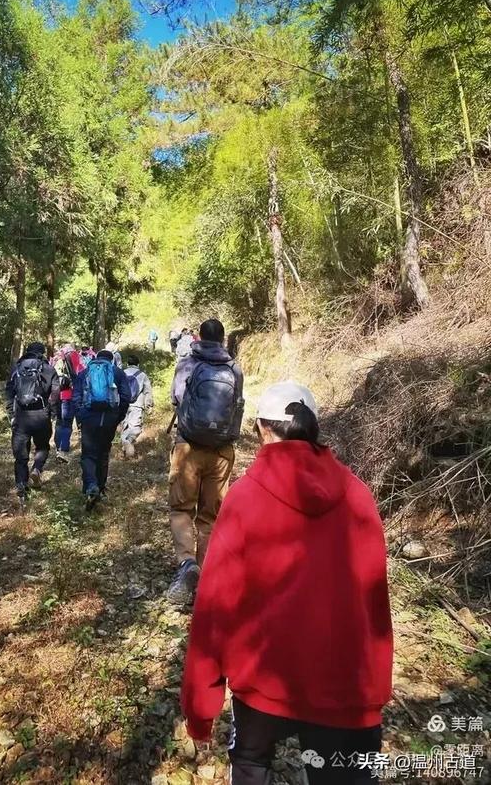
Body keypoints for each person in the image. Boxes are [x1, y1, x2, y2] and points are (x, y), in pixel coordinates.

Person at [180, 381, 393, 785]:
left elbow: (215, 605)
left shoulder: (245, 497)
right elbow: (374, 605)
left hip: (262, 680)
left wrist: (201, 704)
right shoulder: (358, 495)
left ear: (262, 428)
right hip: (344, 685)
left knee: (250, 763)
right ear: (313, 428)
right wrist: (374, 688)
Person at [167, 318, 244, 607]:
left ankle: (187, 565)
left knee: (181, 509)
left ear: (199, 337)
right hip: (223, 449)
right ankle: (206, 578)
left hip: (189, 445)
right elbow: (237, 404)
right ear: (224, 339)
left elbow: (176, 398)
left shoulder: (187, 363)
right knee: (210, 516)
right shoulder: (234, 367)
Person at [72, 348, 131, 510]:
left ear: (96, 359)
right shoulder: (117, 372)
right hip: (109, 418)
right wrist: (118, 416)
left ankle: (91, 486)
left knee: (88, 454)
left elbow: (76, 397)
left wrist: (80, 416)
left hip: (89, 417)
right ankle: (101, 487)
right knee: (104, 453)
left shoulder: (84, 373)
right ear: (111, 360)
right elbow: (126, 397)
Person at [5, 341, 59, 498]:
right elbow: (55, 393)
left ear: (28, 351)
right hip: (41, 415)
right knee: (42, 446)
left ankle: (21, 485)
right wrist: (52, 412)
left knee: (21, 454)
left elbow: (9, 392)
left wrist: (11, 413)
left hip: (21, 416)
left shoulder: (17, 367)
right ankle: (36, 469)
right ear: (42, 353)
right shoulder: (48, 368)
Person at [53, 344, 84, 464]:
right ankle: (64, 450)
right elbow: (81, 373)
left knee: (61, 422)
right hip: (73, 395)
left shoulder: (58, 359)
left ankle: (58, 448)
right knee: (72, 424)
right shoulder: (75, 357)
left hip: (60, 395)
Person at [120, 355, 154, 459]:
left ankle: (125, 447)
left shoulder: (122, 373)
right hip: (137, 405)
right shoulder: (142, 375)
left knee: (124, 426)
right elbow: (148, 391)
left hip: (123, 404)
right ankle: (128, 442)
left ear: (127, 364)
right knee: (135, 428)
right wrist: (149, 405)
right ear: (138, 364)